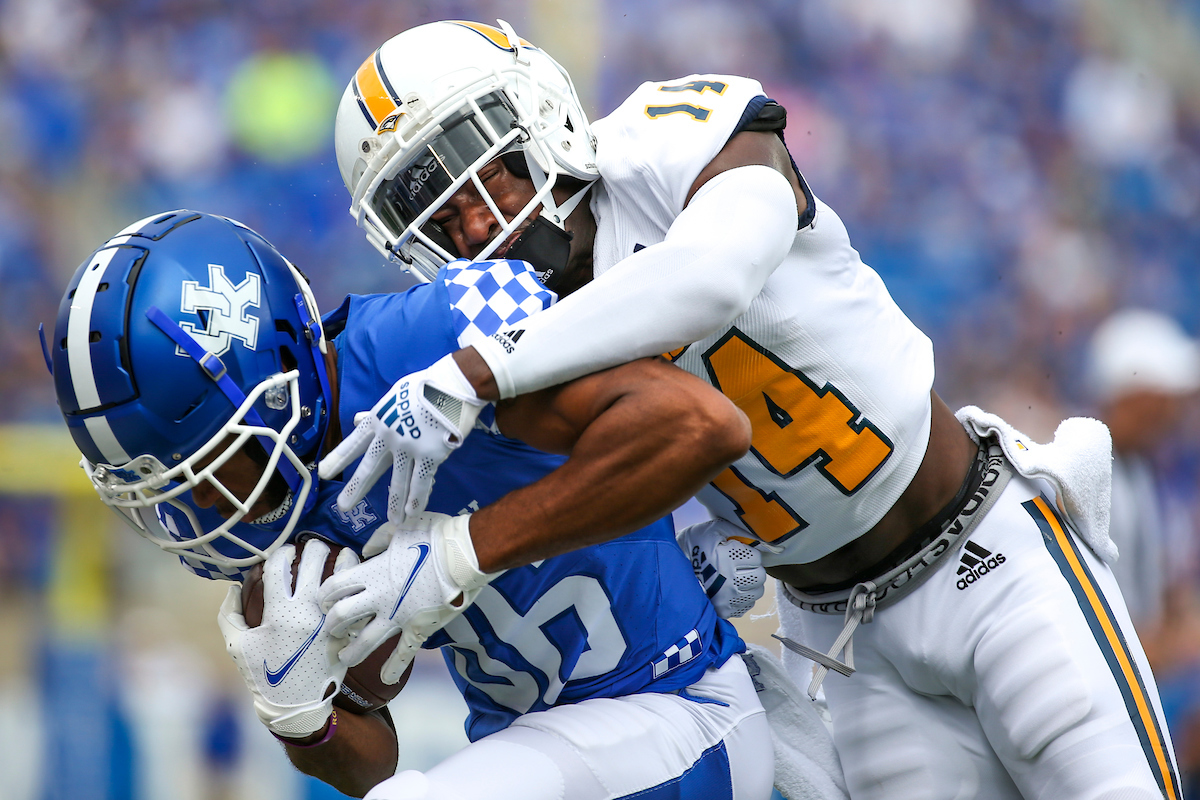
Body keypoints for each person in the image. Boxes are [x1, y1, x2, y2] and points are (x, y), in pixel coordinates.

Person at [322, 19, 1182, 799]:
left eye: (486, 168)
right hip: (839, 643)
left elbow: (709, 278)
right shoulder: (507, 337)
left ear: (538, 112)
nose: (475, 221)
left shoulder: (667, 144)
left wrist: (482, 371)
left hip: (986, 556)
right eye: (429, 206)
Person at [48, 210, 842, 800]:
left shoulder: (436, 343)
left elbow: (699, 426)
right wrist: (304, 719)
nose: (204, 508)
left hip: (684, 710)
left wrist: (466, 551)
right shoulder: (281, 507)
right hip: (559, 749)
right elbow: (375, 763)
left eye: (211, 466)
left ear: (280, 366)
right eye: (173, 490)